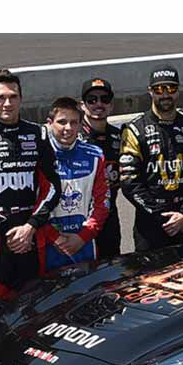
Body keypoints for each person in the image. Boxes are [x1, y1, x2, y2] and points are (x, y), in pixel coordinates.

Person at [0, 69, 62, 313]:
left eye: (13, 97)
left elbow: (53, 186)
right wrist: (8, 231)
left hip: (31, 232)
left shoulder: (39, 134)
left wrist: (30, 226)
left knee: (33, 307)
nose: (7, 103)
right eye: (0, 97)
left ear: (21, 98)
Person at [118, 65, 183, 251]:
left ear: (178, 91)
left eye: (171, 88)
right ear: (150, 91)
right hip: (150, 223)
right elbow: (129, 183)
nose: (165, 94)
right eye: (159, 89)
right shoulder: (135, 129)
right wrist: (160, 215)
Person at [40, 97, 111, 271]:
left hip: (84, 242)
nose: (68, 128)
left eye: (73, 123)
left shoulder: (94, 155)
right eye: (62, 122)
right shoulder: (39, 156)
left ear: (80, 125)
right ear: (49, 123)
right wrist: (54, 237)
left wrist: (83, 236)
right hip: (48, 242)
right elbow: (33, 202)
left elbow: (103, 201)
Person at [79, 77, 123, 259]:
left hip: (109, 218)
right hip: (79, 218)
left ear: (111, 105)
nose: (99, 104)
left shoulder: (121, 136)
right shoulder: (73, 136)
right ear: (82, 105)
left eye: (104, 99)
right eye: (92, 100)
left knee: (110, 272)